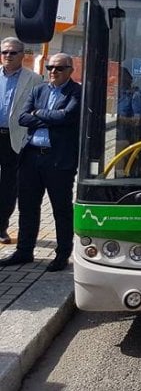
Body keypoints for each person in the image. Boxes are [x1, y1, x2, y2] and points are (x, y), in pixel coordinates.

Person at [0, 53, 81, 272]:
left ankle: (62, 254)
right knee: (27, 207)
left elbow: (67, 117)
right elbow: (22, 118)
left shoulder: (77, 91)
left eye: (59, 68)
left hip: (58, 160)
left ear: (70, 70)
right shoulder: (39, 90)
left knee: (60, 210)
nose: (53, 72)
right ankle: (24, 251)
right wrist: (50, 116)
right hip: (31, 157)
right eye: (50, 67)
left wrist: (40, 114)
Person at [0, 38, 41, 245]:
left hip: (14, 138)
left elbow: (39, 108)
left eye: (13, 53)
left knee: (8, 185)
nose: (8, 56)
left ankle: (1, 226)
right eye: (5, 52)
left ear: (23, 55)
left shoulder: (33, 79)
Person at [117, 68, 141, 146]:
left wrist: (119, 119)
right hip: (117, 135)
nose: (118, 78)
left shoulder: (135, 95)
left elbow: (138, 120)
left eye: (121, 76)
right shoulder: (118, 94)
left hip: (127, 139)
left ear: (129, 79)